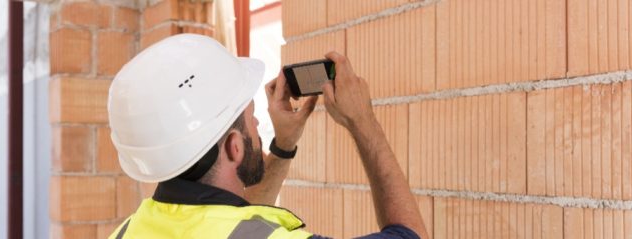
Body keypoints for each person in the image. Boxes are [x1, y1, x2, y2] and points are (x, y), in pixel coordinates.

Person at [107, 34, 427, 239]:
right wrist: (363, 122)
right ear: (235, 147)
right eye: (251, 118)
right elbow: (410, 235)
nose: (258, 123)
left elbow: (230, 223)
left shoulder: (127, 233)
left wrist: (283, 146)